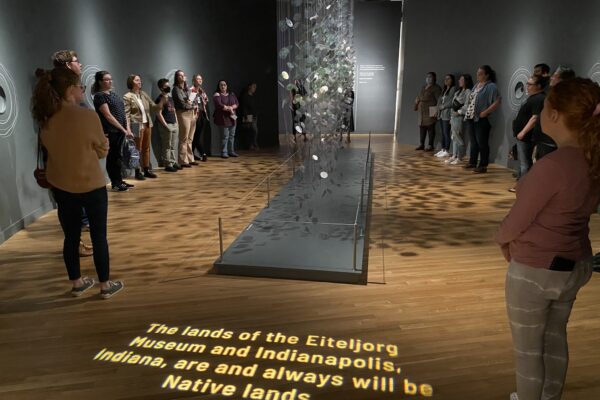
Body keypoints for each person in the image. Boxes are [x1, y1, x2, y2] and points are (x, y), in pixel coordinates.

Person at [495, 78, 600, 400]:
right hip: (577, 263)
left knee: (528, 350)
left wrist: (502, 240)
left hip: (537, 269)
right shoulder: (592, 159)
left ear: (554, 114)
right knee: (555, 336)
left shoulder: (552, 166)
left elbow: (518, 220)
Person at [31, 67, 124, 299]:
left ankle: (77, 283)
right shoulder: (88, 116)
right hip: (91, 184)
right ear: (71, 90)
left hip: (61, 186)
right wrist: (103, 145)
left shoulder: (46, 120)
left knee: (71, 237)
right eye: (81, 87)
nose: (83, 91)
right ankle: (105, 286)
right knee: (98, 236)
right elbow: (102, 151)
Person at [51, 49, 92, 256]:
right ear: (68, 65)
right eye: (77, 61)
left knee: (71, 201)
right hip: (69, 154)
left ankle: (76, 242)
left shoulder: (59, 88)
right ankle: (74, 244)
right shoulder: (61, 89)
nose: (80, 64)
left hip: (73, 152)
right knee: (69, 201)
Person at [92, 70, 133, 192]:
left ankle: (119, 180)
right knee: (112, 157)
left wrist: (127, 128)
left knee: (118, 157)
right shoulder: (100, 96)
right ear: (100, 82)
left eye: (110, 79)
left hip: (120, 131)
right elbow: (108, 115)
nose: (110, 81)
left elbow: (123, 113)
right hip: (111, 131)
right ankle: (115, 182)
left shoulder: (113, 94)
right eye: (106, 79)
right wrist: (122, 129)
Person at [509, 75, 548, 192]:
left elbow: (535, 118)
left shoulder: (538, 99)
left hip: (526, 137)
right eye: (527, 84)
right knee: (524, 162)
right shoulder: (534, 98)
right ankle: (521, 185)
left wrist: (523, 132)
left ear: (539, 86)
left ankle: (523, 187)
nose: (527, 86)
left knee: (525, 163)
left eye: (530, 84)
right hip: (524, 136)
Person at [123, 74, 166, 180]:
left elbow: (154, 107)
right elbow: (126, 114)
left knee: (146, 148)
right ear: (131, 82)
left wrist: (162, 101)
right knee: (137, 149)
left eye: (140, 80)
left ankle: (146, 170)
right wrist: (128, 128)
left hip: (147, 124)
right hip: (136, 125)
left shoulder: (144, 94)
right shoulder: (127, 96)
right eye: (137, 80)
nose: (140, 82)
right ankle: (138, 172)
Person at [463, 65, 501, 173]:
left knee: (482, 142)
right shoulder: (476, 86)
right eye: (477, 73)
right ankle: (472, 162)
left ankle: (483, 165)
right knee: (473, 141)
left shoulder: (491, 86)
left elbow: (497, 101)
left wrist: (486, 112)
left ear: (486, 75)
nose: (477, 75)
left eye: (480, 73)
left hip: (482, 119)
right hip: (472, 117)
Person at [172, 70, 197, 168]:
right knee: (184, 137)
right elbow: (182, 104)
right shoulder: (175, 89)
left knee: (190, 138)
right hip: (182, 114)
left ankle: (190, 159)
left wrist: (191, 104)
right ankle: (183, 160)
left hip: (191, 113)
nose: (182, 77)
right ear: (177, 77)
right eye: (180, 75)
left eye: (183, 75)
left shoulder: (187, 89)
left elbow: (192, 100)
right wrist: (190, 105)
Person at [446, 74, 472, 165]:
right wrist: (451, 116)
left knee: (458, 137)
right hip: (453, 117)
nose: (460, 81)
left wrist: (459, 112)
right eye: (460, 79)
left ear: (466, 81)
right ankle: (454, 155)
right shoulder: (458, 92)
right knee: (453, 137)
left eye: (462, 79)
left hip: (459, 117)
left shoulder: (468, 91)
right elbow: (453, 104)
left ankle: (460, 157)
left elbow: (467, 104)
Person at [155, 78, 179, 172]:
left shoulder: (170, 98)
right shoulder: (159, 99)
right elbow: (158, 113)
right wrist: (165, 125)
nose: (168, 87)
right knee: (167, 146)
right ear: (161, 88)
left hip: (174, 124)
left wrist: (176, 122)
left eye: (169, 85)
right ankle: (168, 164)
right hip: (166, 124)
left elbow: (174, 111)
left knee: (173, 145)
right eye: (166, 86)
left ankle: (173, 162)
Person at [414, 72, 442, 151]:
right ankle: (421, 144)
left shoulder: (436, 88)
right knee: (422, 127)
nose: (428, 78)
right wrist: (416, 101)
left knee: (430, 127)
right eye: (427, 77)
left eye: (430, 77)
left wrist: (436, 110)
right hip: (422, 111)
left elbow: (439, 100)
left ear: (434, 78)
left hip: (431, 110)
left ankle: (430, 145)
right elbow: (419, 95)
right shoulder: (423, 87)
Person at [213, 79, 239, 158]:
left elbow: (237, 103)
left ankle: (231, 151)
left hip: (233, 117)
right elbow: (219, 105)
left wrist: (232, 107)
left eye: (224, 85)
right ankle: (224, 152)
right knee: (225, 136)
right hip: (223, 118)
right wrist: (229, 108)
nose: (223, 86)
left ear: (227, 86)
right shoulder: (217, 94)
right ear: (219, 86)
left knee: (232, 135)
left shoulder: (232, 94)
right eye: (221, 85)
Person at [435, 74, 456, 158]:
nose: (446, 80)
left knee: (446, 132)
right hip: (441, 114)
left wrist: (443, 106)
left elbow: (451, 101)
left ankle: (447, 150)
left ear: (452, 80)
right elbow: (439, 100)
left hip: (447, 113)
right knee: (442, 133)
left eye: (448, 78)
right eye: (445, 79)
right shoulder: (444, 89)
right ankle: (443, 149)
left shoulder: (453, 89)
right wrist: (437, 109)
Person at [190, 74, 209, 161]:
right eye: (198, 79)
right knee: (195, 136)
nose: (200, 80)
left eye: (201, 79)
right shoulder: (191, 90)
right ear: (193, 80)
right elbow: (189, 102)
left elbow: (206, 101)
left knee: (197, 136)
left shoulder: (201, 91)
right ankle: (203, 153)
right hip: (195, 115)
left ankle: (192, 154)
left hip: (202, 115)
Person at [240, 82, 259, 150]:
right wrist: (246, 116)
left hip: (254, 116)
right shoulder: (245, 96)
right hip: (248, 116)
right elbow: (244, 107)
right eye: (253, 86)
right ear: (249, 87)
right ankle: (252, 145)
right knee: (251, 130)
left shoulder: (254, 96)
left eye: (255, 87)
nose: (255, 88)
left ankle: (252, 144)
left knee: (253, 131)